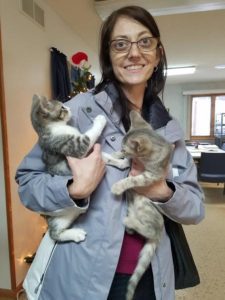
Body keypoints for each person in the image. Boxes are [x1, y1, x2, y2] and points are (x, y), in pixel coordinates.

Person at [15, 5, 205, 300]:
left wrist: (162, 190)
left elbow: (195, 208)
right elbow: (27, 182)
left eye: (144, 42)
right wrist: (74, 189)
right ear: (108, 56)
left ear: (158, 54)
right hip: (82, 279)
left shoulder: (169, 129)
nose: (134, 53)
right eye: (120, 44)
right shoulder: (78, 111)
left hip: (150, 279)